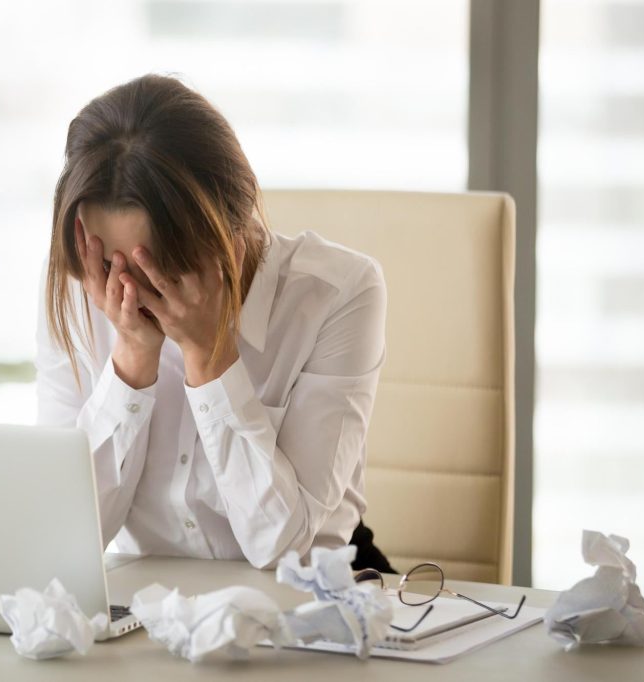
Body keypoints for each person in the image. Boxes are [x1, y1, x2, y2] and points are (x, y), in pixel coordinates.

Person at [35, 73, 393, 571]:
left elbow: (283, 547)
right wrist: (132, 360)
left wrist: (211, 359)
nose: (127, 292)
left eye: (155, 271)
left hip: (308, 608)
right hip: (151, 614)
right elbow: (62, 533)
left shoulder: (338, 293)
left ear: (235, 227)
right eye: (109, 264)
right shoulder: (84, 289)